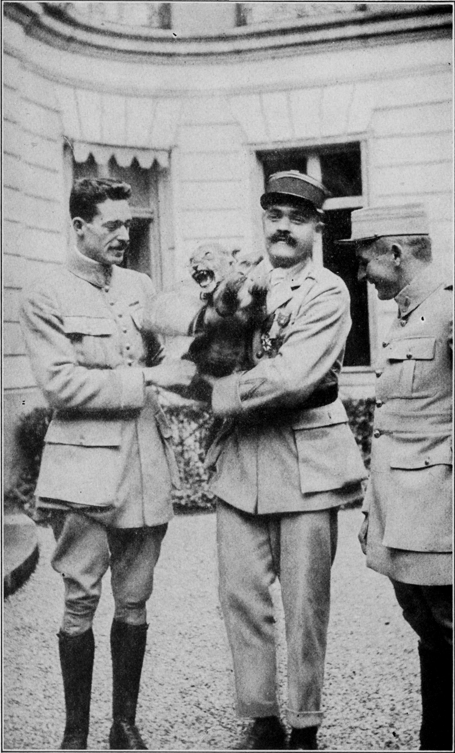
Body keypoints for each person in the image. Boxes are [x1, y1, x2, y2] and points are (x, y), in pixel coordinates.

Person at [19, 178, 195, 751]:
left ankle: (124, 725)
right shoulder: (45, 293)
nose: (125, 233)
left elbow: (170, 359)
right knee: (79, 599)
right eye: (112, 224)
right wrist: (149, 377)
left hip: (145, 465)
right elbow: (60, 384)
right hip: (82, 473)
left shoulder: (141, 287)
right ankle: (75, 733)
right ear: (79, 226)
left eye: (129, 223)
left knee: (135, 600)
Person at [200, 171, 367, 750]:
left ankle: (304, 723)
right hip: (242, 459)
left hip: (306, 459)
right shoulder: (244, 280)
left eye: (297, 219)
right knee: (241, 597)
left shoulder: (328, 291)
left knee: (304, 603)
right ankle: (261, 718)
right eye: (274, 216)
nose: (283, 228)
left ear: (316, 227)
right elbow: (208, 345)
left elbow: (293, 376)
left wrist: (211, 391)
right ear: (264, 220)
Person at [337, 204, 453, 751]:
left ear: (397, 253)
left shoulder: (448, 309)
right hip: (402, 510)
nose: (362, 274)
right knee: (430, 632)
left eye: (366, 262)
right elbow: (391, 425)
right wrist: (371, 510)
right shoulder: (407, 314)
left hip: (440, 512)